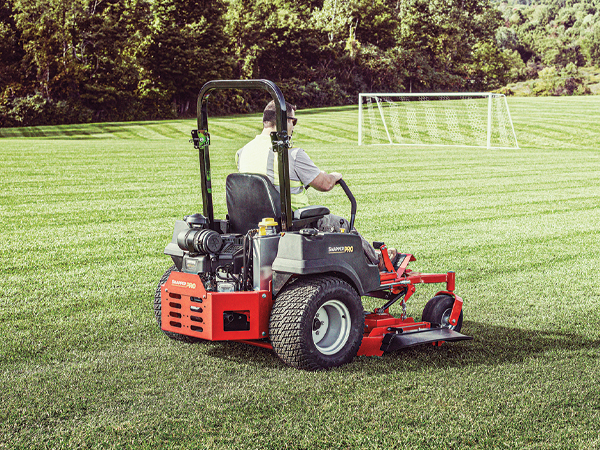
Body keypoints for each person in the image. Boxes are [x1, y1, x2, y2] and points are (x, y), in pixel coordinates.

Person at [235, 100, 396, 270]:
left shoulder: (243, 152)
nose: (294, 127)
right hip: (291, 222)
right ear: (285, 121)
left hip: (253, 222)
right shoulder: (291, 154)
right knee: (341, 224)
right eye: (293, 121)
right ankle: (376, 261)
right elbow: (325, 184)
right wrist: (334, 176)